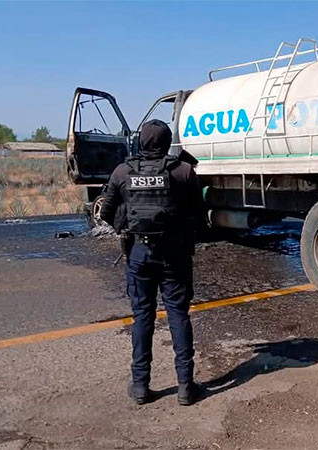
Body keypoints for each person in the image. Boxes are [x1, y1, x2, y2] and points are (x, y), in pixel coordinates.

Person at [100, 119, 204, 405]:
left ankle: (141, 386)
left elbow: (106, 212)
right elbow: (200, 215)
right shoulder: (184, 171)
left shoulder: (123, 171)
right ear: (168, 142)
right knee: (178, 315)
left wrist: (128, 227)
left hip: (138, 254)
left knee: (143, 316)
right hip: (176, 255)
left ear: (141, 141)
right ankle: (185, 387)